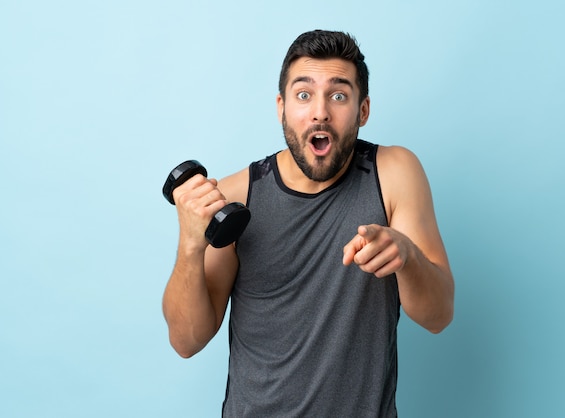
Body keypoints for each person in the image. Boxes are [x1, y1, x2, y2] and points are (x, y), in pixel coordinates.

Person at [162, 29, 454, 417]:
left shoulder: (394, 174)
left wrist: (407, 257)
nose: (320, 111)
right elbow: (186, 340)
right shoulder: (237, 196)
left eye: (338, 95)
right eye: (304, 95)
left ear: (363, 110)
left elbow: (438, 317)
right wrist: (190, 244)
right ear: (281, 107)